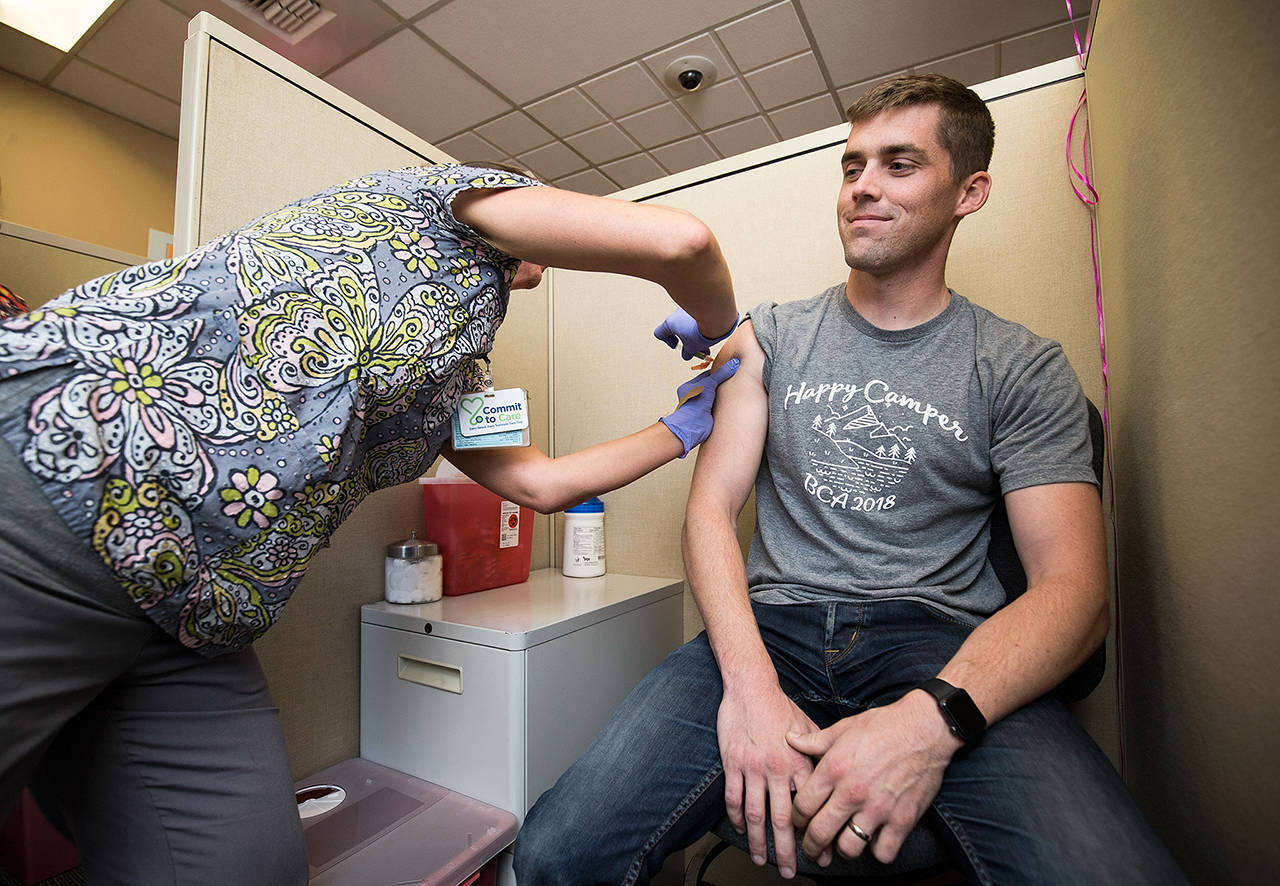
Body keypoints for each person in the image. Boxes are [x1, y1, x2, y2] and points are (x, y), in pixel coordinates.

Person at [513, 75, 1186, 884]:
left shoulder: (1019, 367)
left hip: (939, 643)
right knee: (557, 852)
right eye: (852, 165)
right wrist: (751, 693)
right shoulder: (771, 336)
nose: (862, 186)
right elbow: (710, 513)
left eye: (899, 165)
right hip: (773, 633)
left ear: (969, 192)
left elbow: (1075, 592)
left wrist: (929, 724)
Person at [0, 162, 740, 885]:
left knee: (244, 864)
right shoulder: (440, 199)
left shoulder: (453, 370)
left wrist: (677, 428)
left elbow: (537, 483)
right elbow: (683, 243)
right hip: (68, 475)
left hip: (193, 607)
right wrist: (719, 333)